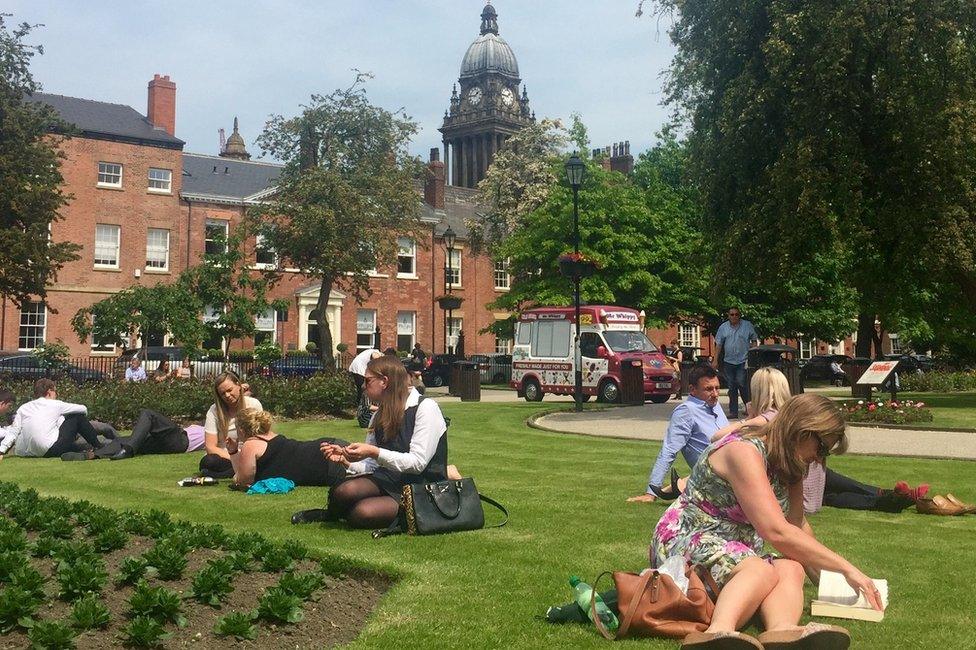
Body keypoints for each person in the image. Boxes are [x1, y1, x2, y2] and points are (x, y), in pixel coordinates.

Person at [651, 393, 882, 649]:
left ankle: (783, 632)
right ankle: (718, 633)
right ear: (802, 430)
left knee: (792, 567)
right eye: (822, 448)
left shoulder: (792, 465)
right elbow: (775, 532)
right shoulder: (743, 451)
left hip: (735, 549)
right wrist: (848, 568)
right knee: (759, 570)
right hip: (687, 538)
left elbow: (796, 526)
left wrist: (828, 582)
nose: (820, 459)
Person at [291, 354, 449, 528]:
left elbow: (418, 463)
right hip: (390, 479)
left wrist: (374, 452)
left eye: (367, 381)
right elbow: (372, 465)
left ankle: (407, 516)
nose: (363, 387)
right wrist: (347, 461)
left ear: (384, 381)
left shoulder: (425, 408)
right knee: (343, 490)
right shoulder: (378, 415)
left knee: (362, 513)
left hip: (421, 486)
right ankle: (331, 514)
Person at [628, 366, 728, 503]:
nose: (716, 393)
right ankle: (678, 487)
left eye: (717, 388)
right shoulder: (686, 412)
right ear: (692, 390)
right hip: (716, 474)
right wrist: (651, 493)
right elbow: (669, 450)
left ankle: (679, 486)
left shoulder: (714, 404)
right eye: (709, 389)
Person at [228, 408, 348, 489]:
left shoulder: (250, 444)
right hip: (331, 447)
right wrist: (233, 451)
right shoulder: (271, 435)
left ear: (242, 430)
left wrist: (234, 456)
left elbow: (243, 481)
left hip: (326, 464)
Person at [0, 379, 106, 459]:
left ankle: (80, 451)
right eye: (55, 391)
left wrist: (2, 450)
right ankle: (98, 446)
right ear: (49, 391)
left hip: (30, 452)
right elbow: (83, 409)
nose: (56, 394)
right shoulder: (55, 405)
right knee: (76, 416)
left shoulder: (24, 407)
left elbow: (14, 432)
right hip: (50, 450)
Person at [198, 372, 263, 478]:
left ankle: (227, 473)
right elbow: (210, 447)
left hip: (250, 454)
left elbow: (261, 438)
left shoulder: (254, 404)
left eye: (229, 390)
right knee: (208, 461)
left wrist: (245, 456)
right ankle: (241, 470)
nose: (227, 396)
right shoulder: (213, 411)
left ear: (238, 385)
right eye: (222, 393)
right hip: (225, 456)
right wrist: (235, 457)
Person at [803, 461, 926, 514]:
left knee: (853, 485)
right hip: (803, 485)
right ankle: (893, 501)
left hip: (813, 470)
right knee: (832, 498)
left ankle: (892, 496)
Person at [712, 307, 758, 418]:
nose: (734, 316)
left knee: (742, 383)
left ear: (739, 315)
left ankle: (749, 409)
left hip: (743, 360)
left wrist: (753, 354)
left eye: (736, 314)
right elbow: (718, 344)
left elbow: (754, 340)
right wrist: (715, 360)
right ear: (728, 315)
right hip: (728, 361)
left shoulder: (747, 326)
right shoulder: (723, 327)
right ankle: (733, 412)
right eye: (731, 314)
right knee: (731, 386)